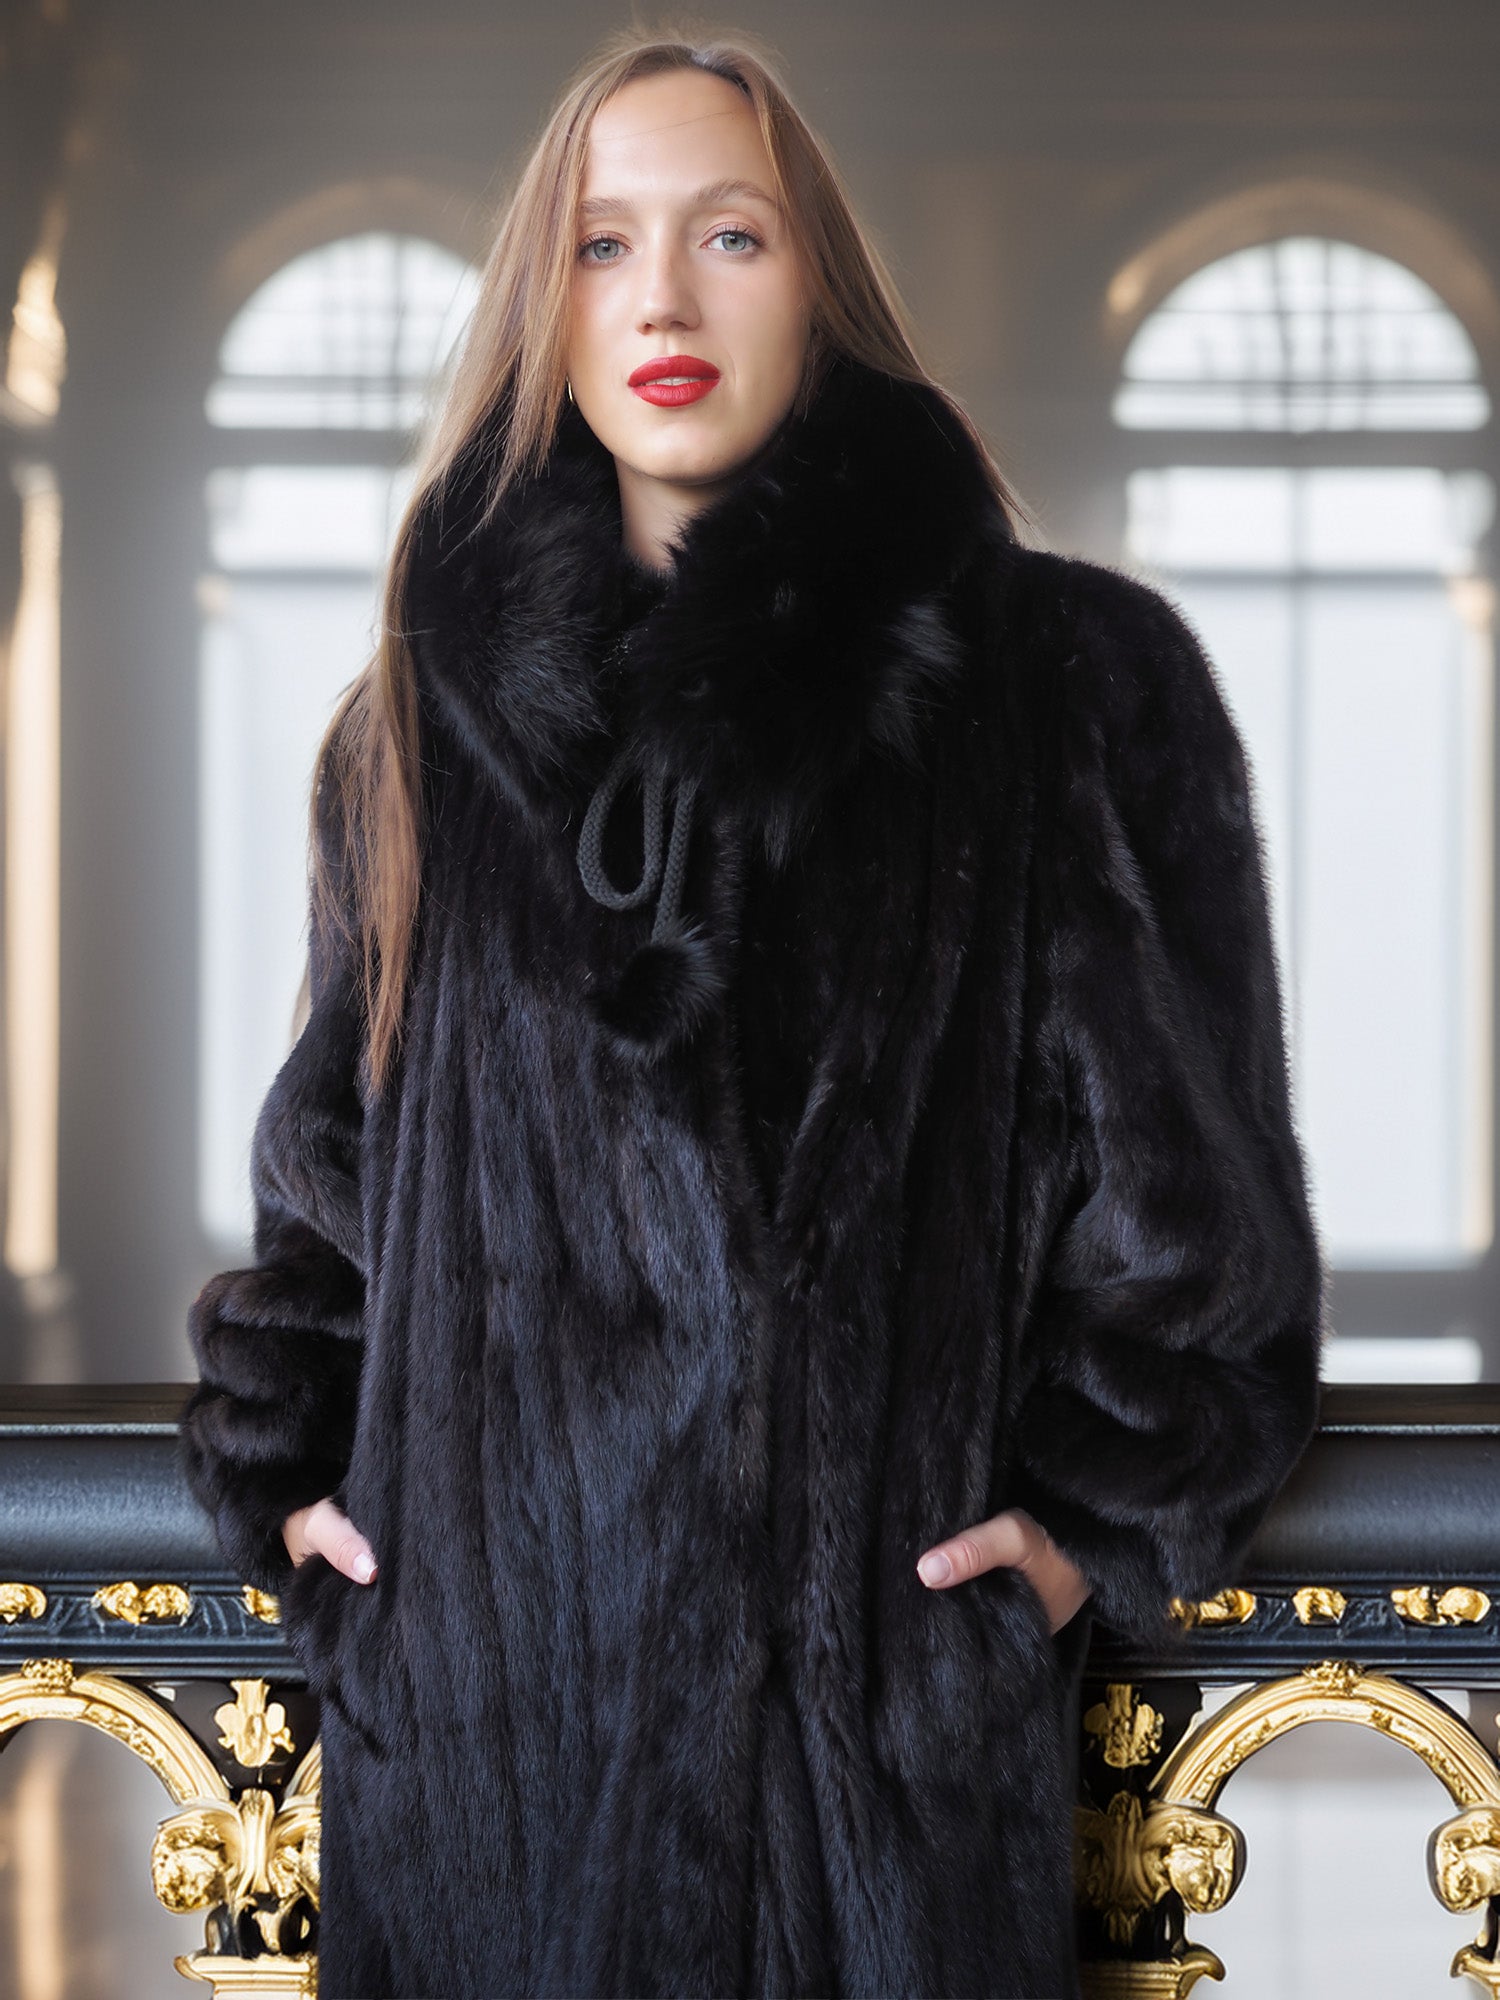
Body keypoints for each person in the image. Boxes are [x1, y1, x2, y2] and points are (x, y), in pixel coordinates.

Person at [179, 26, 1326, 2000]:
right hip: (482, 1780)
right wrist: (291, 1471)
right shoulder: (413, 733)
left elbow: (1199, 1220)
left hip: (868, 1787)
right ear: (548, 301)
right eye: (603, 244)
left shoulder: (1062, 685)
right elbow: (332, 1183)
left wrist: (1074, 1532)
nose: (664, 301)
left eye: (731, 235)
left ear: (819, 284)